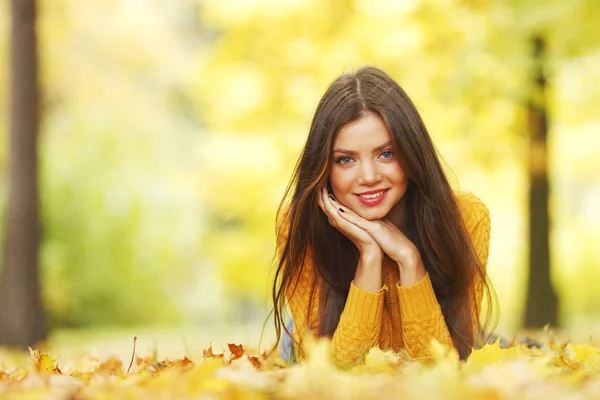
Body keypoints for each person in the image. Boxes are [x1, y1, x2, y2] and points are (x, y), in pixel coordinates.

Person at [269, 66, 498, 369]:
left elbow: (441, 371)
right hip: (309, 351)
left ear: (412, 153)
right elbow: (334, 378)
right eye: (346, 159)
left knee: (484, 347)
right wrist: (370, 256)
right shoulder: (300, 226)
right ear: (324, 167)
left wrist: (409, 260)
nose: (368, 176)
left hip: (451, 346)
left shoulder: (465, 218)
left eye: (386, 154)